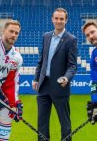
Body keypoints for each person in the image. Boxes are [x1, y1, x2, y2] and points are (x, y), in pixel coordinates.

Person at [32, 8, 77, 141]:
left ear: (66, 20)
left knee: (65, 124)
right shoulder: (46, 36)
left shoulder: (71, 39)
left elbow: (73, 65)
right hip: (43, 85)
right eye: (56, 18)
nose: (58, 21)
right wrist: (36, 78)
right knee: (42, 124)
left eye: (61, 19)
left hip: (60, 86)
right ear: (52, 19)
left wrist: (66, 77)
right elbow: (41, 60)